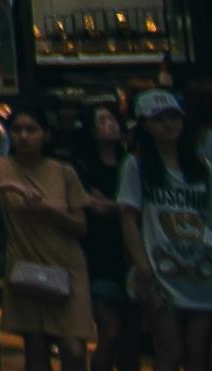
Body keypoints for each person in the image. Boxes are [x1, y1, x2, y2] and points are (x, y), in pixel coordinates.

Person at [0, 101, 94, 371]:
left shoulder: (63, 171)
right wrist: (10, 185)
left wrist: (47, 210)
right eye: (18, 130)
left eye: (31, 130)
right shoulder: (1, 166)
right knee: (35, 348)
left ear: (45, 134)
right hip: (25, 263)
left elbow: (80, 226)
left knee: (73, 348)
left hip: (65, 265)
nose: (24, 136)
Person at [117, 91, 212, 371]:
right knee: (169, 350)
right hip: (161, 272)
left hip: (203, 269)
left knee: (199, 352)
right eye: (159, 119)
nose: (168, 125)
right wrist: (143, 268)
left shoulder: (201, 167)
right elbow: (128, 219)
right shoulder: (137, 165)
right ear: (145, 125)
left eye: (173, 117)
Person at [68, 100, 136, 371]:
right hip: (97, 254)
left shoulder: (130, 162)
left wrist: (112, 206)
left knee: (130, 336)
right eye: (102, 121)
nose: (111, 125)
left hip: (129, 252)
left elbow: (112, 206)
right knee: (110, 330)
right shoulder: (82, 165)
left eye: (113, 120)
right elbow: (88, 203)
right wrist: (113, 207)